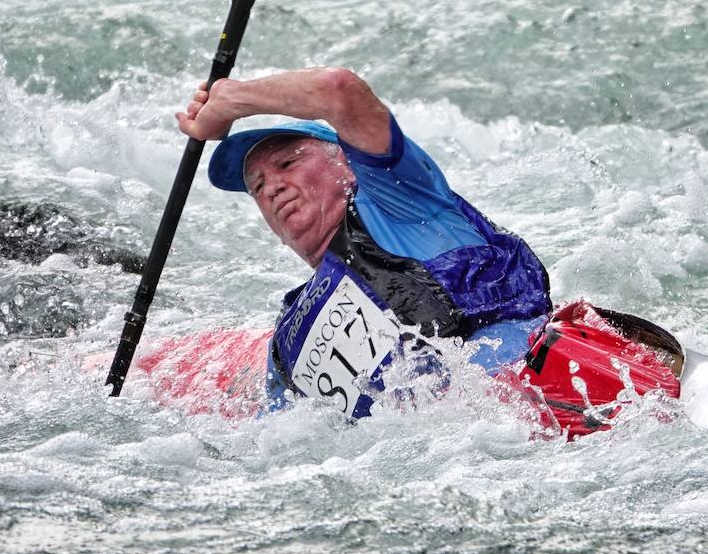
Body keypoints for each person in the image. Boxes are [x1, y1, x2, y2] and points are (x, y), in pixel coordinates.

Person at [175, 66, 553, 418]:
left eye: (288, 163)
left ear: (347, 162)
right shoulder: (289, 341)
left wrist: (232, 99)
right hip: (448, 445)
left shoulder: (400, 201)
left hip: (538, 392)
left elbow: (340, 91)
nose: (272, 187)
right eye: (257, 186)